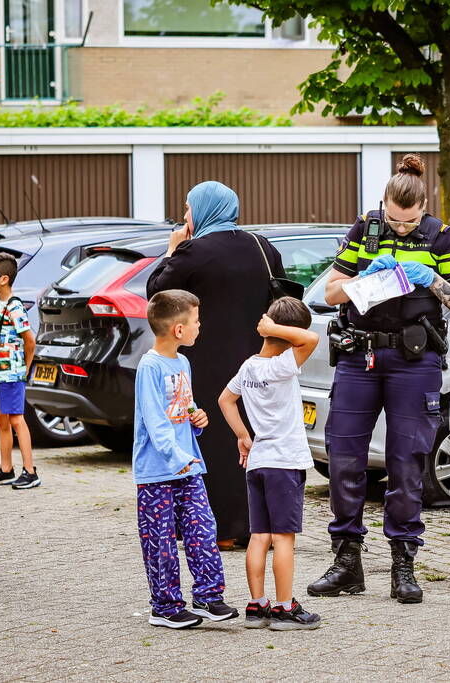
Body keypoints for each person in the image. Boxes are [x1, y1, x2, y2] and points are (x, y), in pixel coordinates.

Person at [307, 154, 450, 604]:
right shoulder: (365, 228)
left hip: (412, 360)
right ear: (383, 204)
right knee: (343, 458)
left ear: (423, 209)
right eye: (395, 220)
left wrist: (432, 278)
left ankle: (404, 563)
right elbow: (328, 292)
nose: (402, 228)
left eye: (410, 221)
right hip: (359, 356)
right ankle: (347, 561)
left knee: (406, 463)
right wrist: (365, 275)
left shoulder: (439, 236)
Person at [145, 181, 286, 548]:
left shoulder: (193, 252)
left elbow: (157, 295)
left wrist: (172, 250)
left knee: (216, 442)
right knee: (253, 436)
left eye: (188, 208)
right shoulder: (262, 246)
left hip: (206, 361)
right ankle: (258, 526)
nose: (186, 216)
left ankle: (221, 528)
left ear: (203, 209)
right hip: (257, 359)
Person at [133, 289, 239, 629]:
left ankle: (208, 597)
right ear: (179, 329)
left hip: (188, 465)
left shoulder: (183, 362)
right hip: (158, 471)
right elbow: (154, 419)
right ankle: (164, 607)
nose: (199, 326)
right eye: (196, 321)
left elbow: (183, 405)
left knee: (202, 530)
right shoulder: (149, 367)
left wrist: (198, 419)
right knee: (160, 541)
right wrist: (177, 456)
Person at [218, 297, 322, 631]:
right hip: (284, 463)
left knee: (259, 535)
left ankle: (256, 604)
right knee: (284, 537)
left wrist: (242, 435)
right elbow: (313, 339)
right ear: (292, 335)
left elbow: (225, 399)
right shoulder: (283, 364)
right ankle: (284, 607)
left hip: (258, 461)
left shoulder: (249, 367)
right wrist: (276, 329)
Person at [0, 252, 39, 490]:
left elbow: (30, 341)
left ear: (3, 279)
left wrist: (24, 369)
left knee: (16, 419)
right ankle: (6, 469)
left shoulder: (15, 307)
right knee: (0, 419)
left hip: (11, 373)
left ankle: (30, 471)